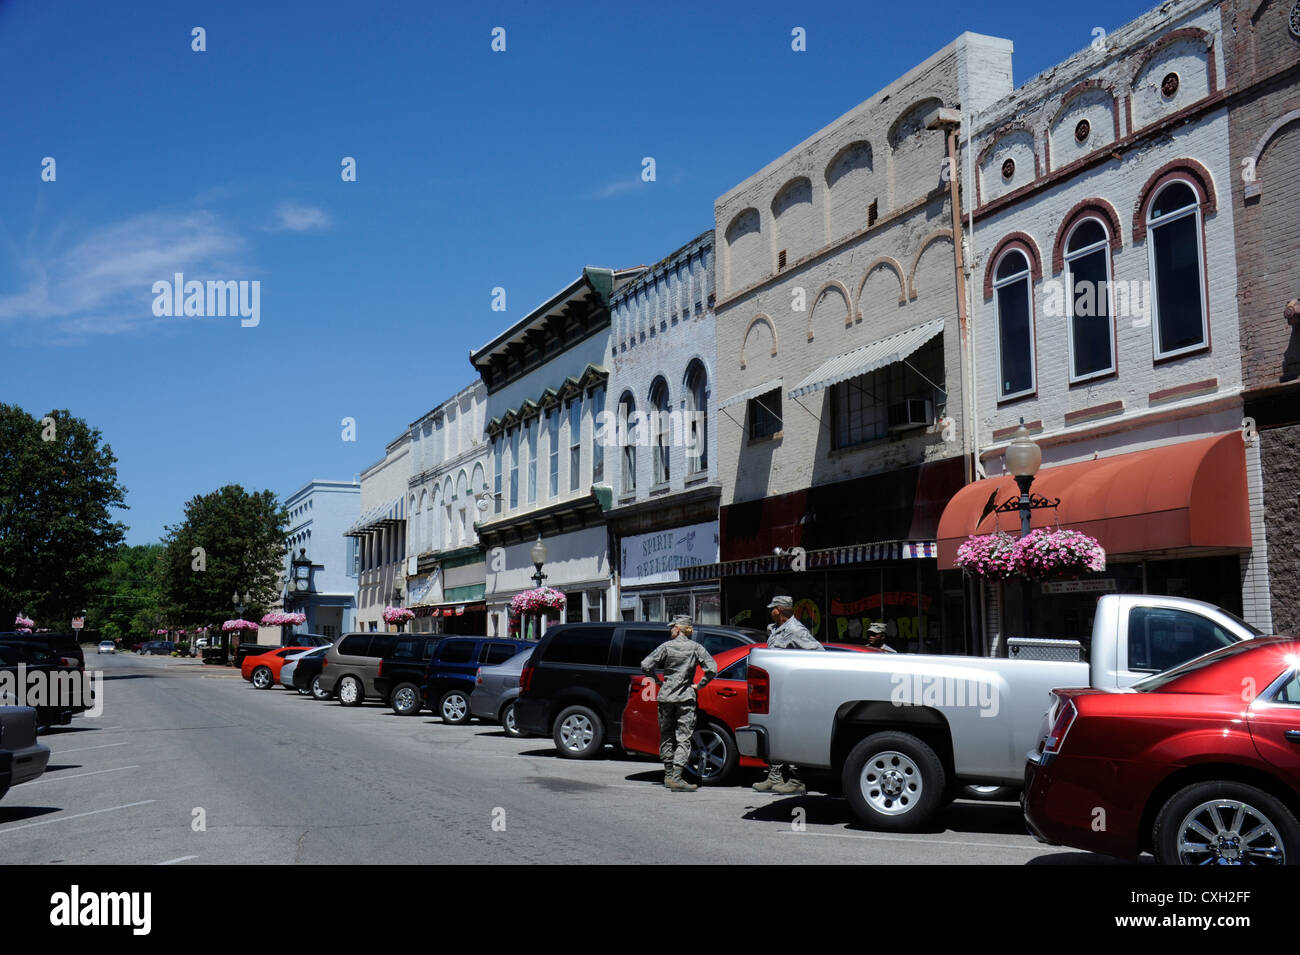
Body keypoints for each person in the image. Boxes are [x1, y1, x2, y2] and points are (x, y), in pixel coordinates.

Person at [754, 595, 823, 795]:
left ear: (782, 610)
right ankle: (775, 776)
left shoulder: (796, 630)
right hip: (776, 693)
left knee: (793, 735)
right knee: (776, 734)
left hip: (793, 694)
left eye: (773, 608)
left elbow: (818, 653)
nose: (770, 611)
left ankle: (796, 779)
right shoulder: (775, 629)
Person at [641, 615, 717, 793]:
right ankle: (677, 776)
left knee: (666, 735)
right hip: (685, 698)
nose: (670, 630)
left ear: (678, 629)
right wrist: (699, 685)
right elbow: (712, 669)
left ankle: (668, 775)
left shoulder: (666, 647)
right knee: (683, 738)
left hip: (666, 697)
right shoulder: (696, 648)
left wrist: (658, 682)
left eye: (672, 627)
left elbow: (645, 665)